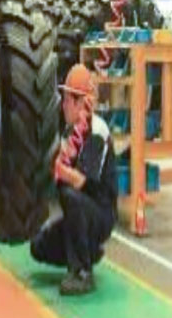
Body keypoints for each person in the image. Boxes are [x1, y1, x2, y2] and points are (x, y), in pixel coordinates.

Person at [29, 64, 117, 296]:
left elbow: (83, 182)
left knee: (70, 196)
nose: (63, 105)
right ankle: (88, 251)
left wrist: (57, 168)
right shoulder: (70, 131)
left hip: (100, 213)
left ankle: (82, 273)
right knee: (38, 247)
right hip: (78, 211)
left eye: (67, 100)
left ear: (80, 103)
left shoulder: (97, 132)